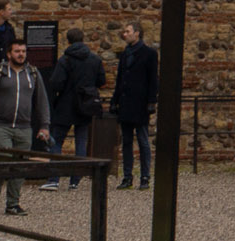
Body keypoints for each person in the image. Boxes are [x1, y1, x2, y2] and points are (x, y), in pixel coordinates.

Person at [0, 37, 51, 215]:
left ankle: (12, 203)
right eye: (17, 51)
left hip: (25, 128)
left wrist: (44, 126)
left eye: (23, 51)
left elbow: (42, 101)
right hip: (2, 126)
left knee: (20, 166)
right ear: (9, 53)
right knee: (2, 162)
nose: (21, 54)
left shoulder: (32, 73)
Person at [42, 29, 105, 191]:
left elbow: (56, 83)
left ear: (68, 41)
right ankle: (75, 179)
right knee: (81, 142)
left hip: (65, 105)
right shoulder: (94, 59)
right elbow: (101, 80)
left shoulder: (65, 60)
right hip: (85, 105)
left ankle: (54, 178)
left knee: (57, 141)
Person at [111, 22, 158, 190]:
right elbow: (120, 79)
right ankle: (127, 176)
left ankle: (145, 176)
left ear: (137, 33)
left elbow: (153, 79)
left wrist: (152, 101)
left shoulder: (149, 54)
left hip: (140, 103)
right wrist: (114, 100)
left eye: (128, 31)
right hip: (126, 103)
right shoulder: (125, 54)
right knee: (127, 141)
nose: (125, 34)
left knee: (143, 140)